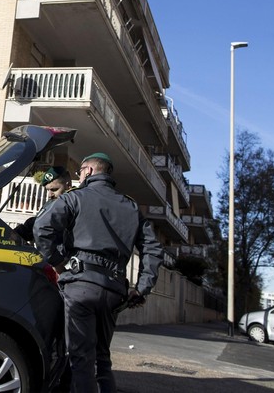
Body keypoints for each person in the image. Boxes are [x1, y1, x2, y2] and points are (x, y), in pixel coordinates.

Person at [34, 152, 163, 393]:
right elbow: (153, 249)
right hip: (114, 290)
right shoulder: (131, 206)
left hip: (80, 287)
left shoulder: (76, 198)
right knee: (102, 360)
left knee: (81, 359)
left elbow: (42, 227)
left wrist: (58, 263)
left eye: (80, 171)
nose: (79, 176)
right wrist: (142, 288)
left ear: (89, 171)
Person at [13, 165, 73, 243]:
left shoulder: (77, 205)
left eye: (54, 189)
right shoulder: (51, 203)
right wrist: (14, 234)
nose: (49, 194)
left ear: (68, 186)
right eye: (48, 190)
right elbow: (35, 223)